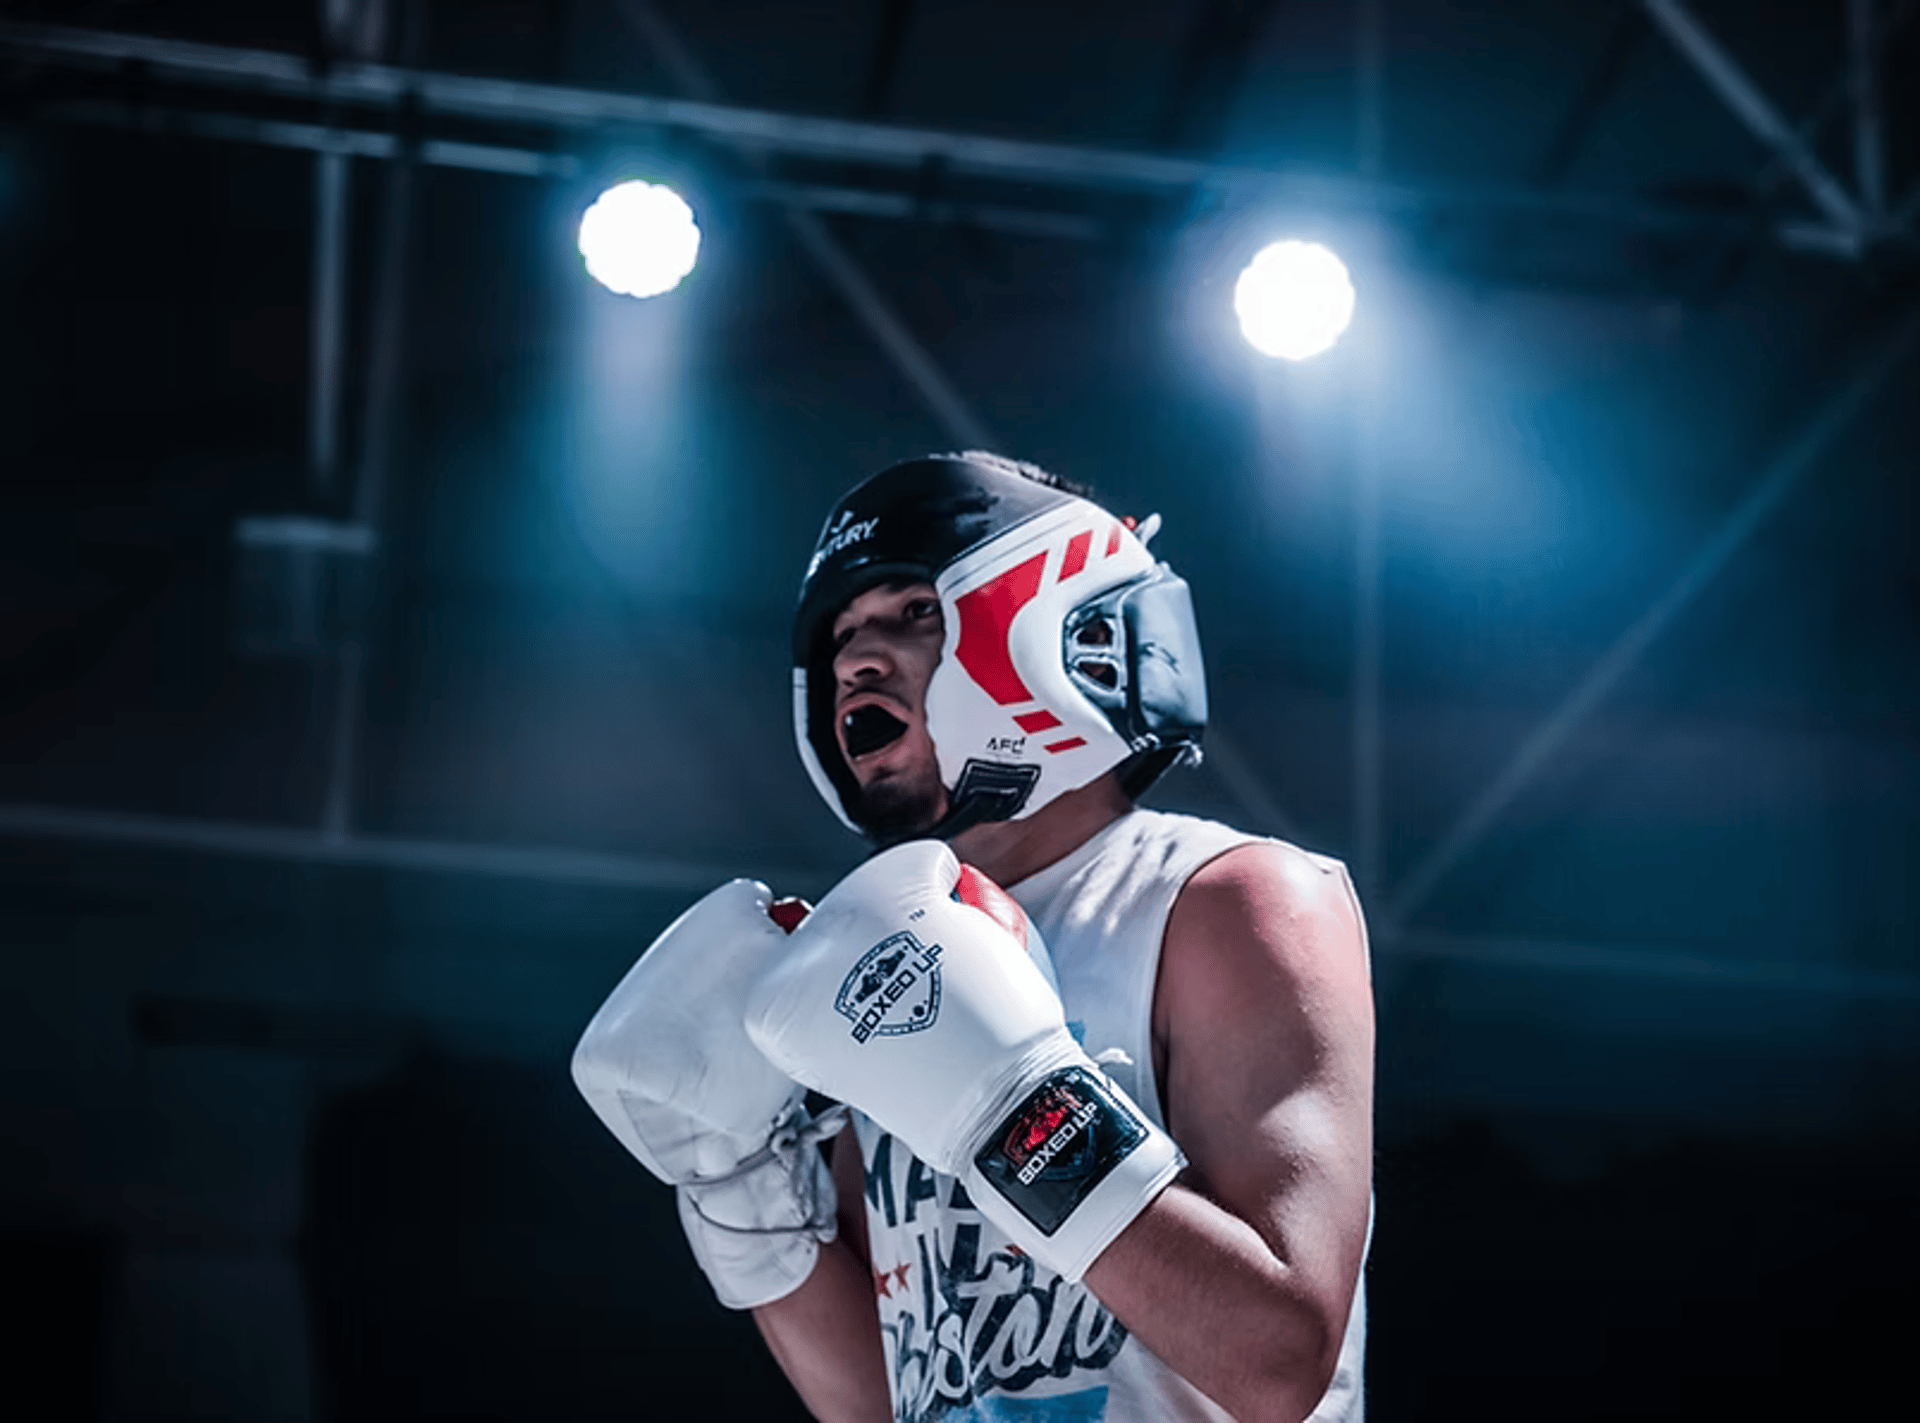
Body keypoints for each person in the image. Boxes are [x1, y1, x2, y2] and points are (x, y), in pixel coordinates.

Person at [574, 452, 1375, 1422]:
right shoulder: (885, 973)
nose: (854, 660)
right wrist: (739, 1191)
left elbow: (1280, 1358)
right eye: (840, 634)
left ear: (1050, 624)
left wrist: (1012, 1107)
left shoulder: (1226, 899)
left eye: (911, 612)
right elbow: (893, 1400)